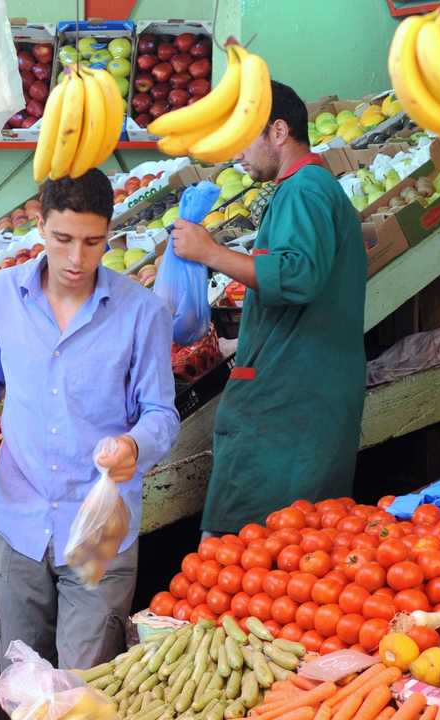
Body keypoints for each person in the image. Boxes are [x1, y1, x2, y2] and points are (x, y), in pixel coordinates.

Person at [0, 171, 179, 670]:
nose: (77, 259)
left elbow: (160, 414)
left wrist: (133, 447)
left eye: (93, 242)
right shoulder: (4, 294)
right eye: (63, 239)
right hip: (17, 524)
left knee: (83, 689)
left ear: (109, 235)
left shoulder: (142, 312)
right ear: (41, 229)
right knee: (17, 683)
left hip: (99, 531)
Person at [171, 80, 367, 535]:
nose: (236, 153)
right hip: (301, 390)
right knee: (300, 545)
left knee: (254, 545)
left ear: (278, 132)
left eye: (243, 137)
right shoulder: (306, 189)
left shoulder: (304, 190)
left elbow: (296, 275)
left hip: (291, 401)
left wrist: (210, 253)